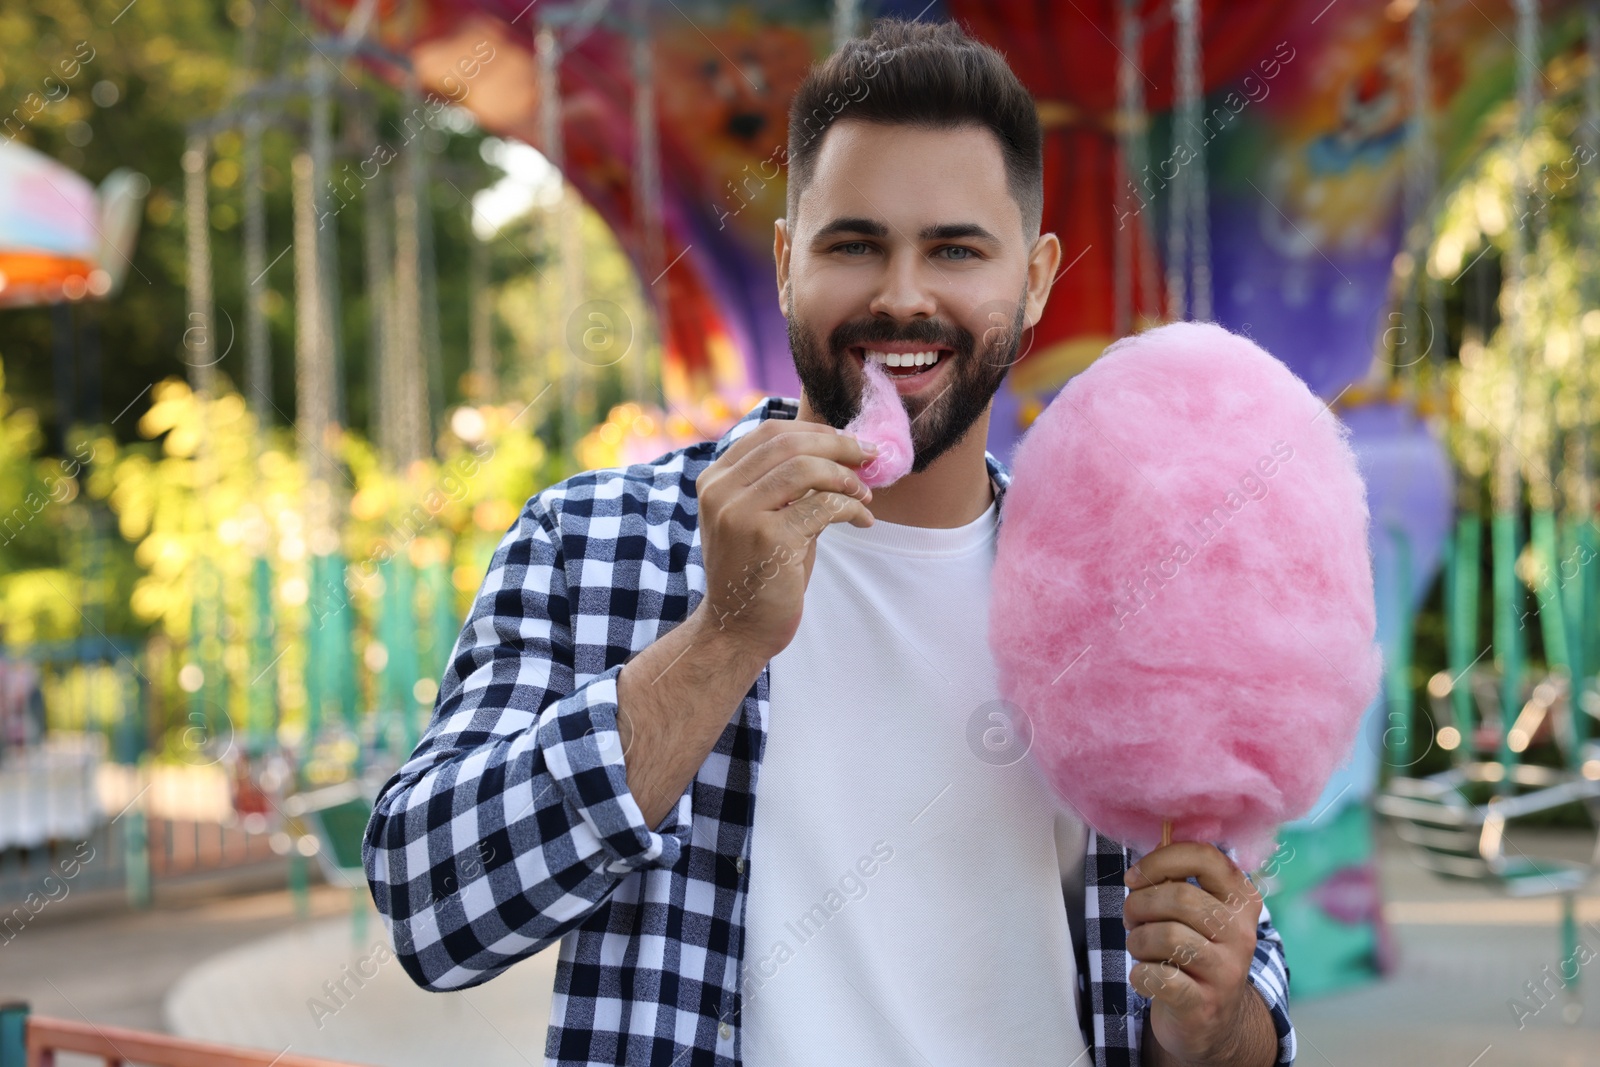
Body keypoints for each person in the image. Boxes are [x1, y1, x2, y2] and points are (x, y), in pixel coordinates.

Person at [363, 17, 1295, 1067]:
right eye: (854, 244)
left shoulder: (1126, 589)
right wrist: (720, 637)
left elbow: (1236, 1011)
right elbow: (430, 909)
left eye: (954, 248)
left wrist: (1215, 1019)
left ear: (1032, 280)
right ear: (785, 261)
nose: (902, 293)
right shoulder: (595, 542)